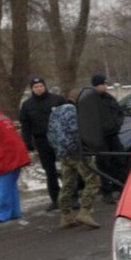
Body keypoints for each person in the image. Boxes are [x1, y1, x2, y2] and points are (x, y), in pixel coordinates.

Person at [46, 94, 100, 229]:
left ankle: (66, 215)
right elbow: (78, 131)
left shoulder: (54, 116)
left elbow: (51, 136)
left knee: (68, 183)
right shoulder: (71, 111)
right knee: (93, 180)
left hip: (63, 154)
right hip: (78, 153)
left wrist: (60, 149)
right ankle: (85, 211)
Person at [18, 75, 65, 211]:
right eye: (36, 87)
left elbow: (69, 118)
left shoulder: (57, 100)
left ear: (45, 86)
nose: (39, 89)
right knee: (50, 171)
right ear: (32, 89)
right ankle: (55, 199)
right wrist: (27, 143)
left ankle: (72, 196)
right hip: (42, 141)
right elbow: (26, 126)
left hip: (59, 139)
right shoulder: (27, 105)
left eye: (41, 86)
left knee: (67, 168)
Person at [89, 74, 126, 203]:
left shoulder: (109, 98)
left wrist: (117, 124)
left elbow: (119, 112)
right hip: (101, 138)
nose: (105, 86)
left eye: (105, 84)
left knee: (120, 161)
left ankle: (122, 188)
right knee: (104, 164)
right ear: (96, 85)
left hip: (113, 135)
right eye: (103, 84)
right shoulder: (91, 100)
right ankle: (107, 191)